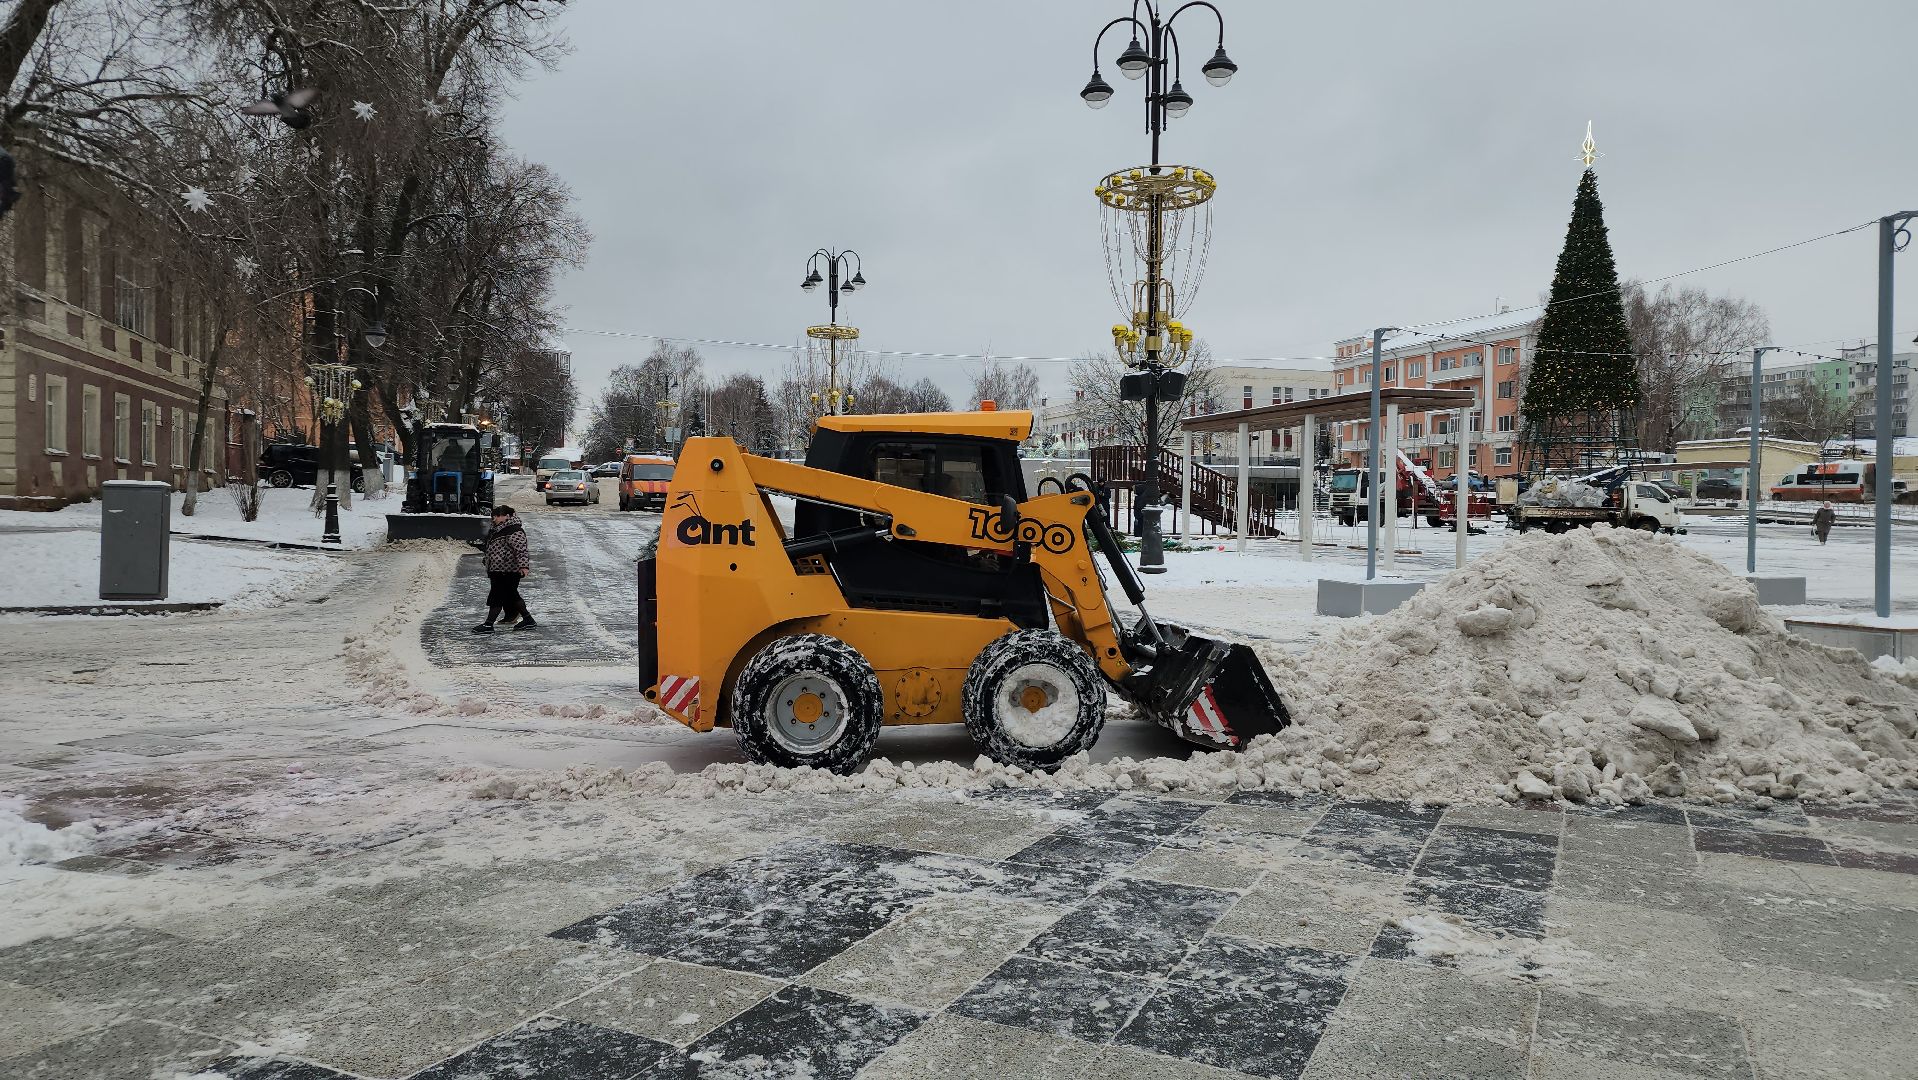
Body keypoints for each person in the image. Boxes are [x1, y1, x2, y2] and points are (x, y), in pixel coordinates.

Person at [472, 505, 536, 632]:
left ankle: (488, 624)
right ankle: (528, 620)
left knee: (497, 596)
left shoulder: (514, 531)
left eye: (496, 516)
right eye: (493, 516)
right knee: (512, 595)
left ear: (507, 516)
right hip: (498, 570)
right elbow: (495, 549)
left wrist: (523, 566)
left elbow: (521, 550)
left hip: (508, 570)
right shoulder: (498, 530)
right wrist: (487, 559)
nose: (494, 519)